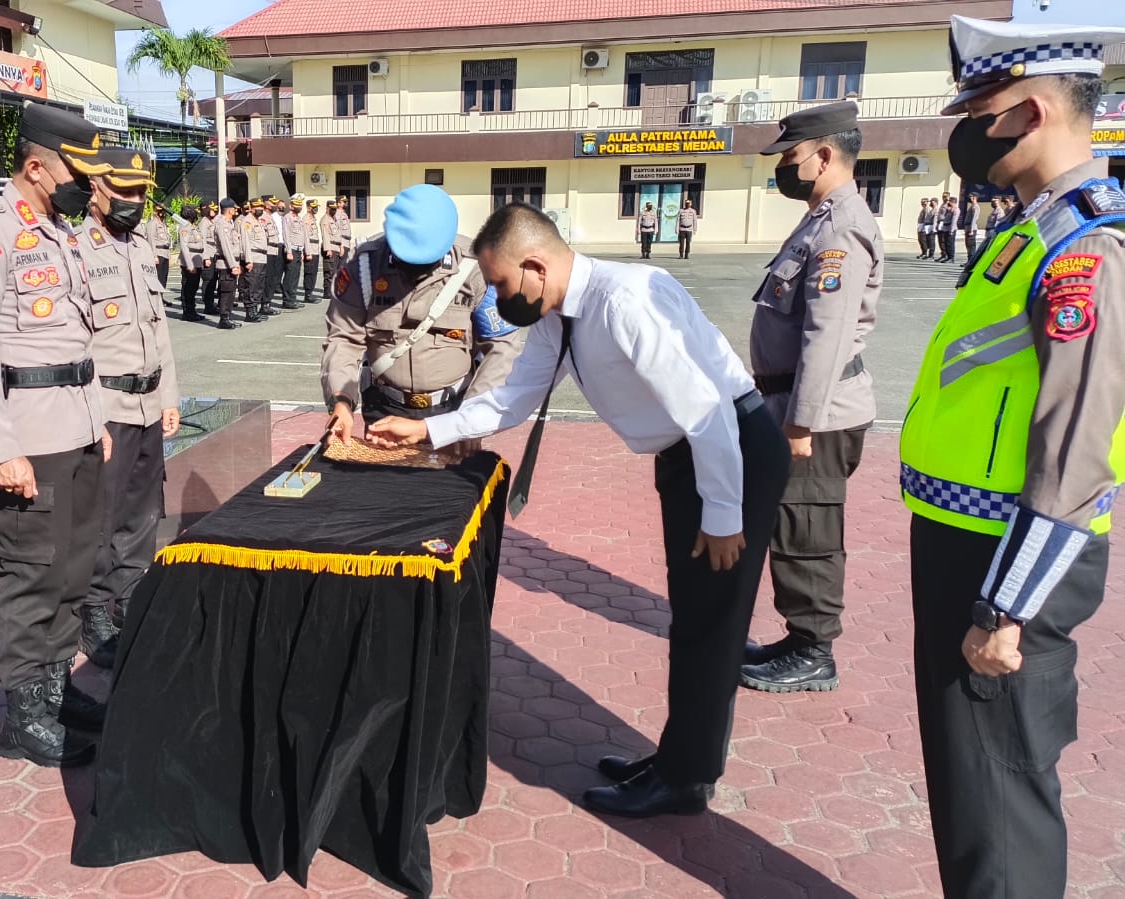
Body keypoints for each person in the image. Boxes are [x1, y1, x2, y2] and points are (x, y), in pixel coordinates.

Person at [367, 203, 791, 818]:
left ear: (536, 267)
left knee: (711, 623)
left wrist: (724, 515)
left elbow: (708, 410)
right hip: (692, 457)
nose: (497, 298)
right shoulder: (558, 313)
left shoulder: (624, 302)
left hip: (731, 453)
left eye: (501, 284)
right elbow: (515, 396)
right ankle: (679, 759)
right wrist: (429, 430)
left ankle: (686, 780)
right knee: (694, 618)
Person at [904, 16, 1125, 898]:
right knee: (969, 784)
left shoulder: (1086, 247)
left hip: (1006, 560)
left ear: (1029, 113)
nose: (964, 133)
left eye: (975, 112)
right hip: (964, 540)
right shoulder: (1029, 228)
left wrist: (1006, 606)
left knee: (997, 794)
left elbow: (1075, 448)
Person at [0, 103, 113, 767]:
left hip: (77, 425)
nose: (88, 186)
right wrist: (0, 449)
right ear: (37, 167)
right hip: (30, 435)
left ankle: (55, 687)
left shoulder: (61, 232)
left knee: (72, 567)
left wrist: (97, 420)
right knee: (31, 572)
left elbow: (77, 338)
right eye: (78, 172)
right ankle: (22, 714)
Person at [741, 100, 880, 692]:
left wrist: (800, 424)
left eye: (790, 156)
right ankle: (800, 637)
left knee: (807, 530)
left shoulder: (841, 227)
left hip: (816, 413)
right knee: (792, 523)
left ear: (823, 156)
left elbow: (828, 334)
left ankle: (814, 651)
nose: (783, 167)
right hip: (796, 403)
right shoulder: (820, 220)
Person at [74, 147, 182, 669]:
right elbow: (74, 343)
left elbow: (159, 332)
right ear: (96, 188)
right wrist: (90, 416)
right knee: (103, 513)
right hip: (108, 406)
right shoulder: (75, 250)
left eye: (141, 192)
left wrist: (169, 397)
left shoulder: (141, 248)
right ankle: (94, 610)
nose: (134, 201)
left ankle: (131, 592)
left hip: (148, 403)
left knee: (143, 509)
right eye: (124, 191)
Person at [321, 184, 525, 440]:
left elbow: (501, 348)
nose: (414, 270)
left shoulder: (478, 269)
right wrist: (341, 400)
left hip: (454, 412)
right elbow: (344, 338)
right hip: (384, 409)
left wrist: (473, 417)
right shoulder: (364, 267)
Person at [211, 198, 243, 330]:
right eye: (234, 209)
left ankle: (227, 317)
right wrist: (233, 265)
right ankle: (224, 318)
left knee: (231, 292)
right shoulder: (222, 225)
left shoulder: (229, 224)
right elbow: (226, 247)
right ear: (230, 210)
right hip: (226, 264)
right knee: (226, 292)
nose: (235, 211)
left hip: (231, 262)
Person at [239, 199, 272, 322]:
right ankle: (250, 312)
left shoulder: (258, 221)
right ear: (251, 208)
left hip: (262, 257)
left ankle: (255, 310)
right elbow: (245, 242)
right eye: (257, 207)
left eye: (261, 207)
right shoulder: (247, 221)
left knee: (259, 285)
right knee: (251, 285)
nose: (260, 209)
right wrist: (248, 260)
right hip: (253, 256)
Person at [177, 206, 207, 322]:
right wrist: (190, 265)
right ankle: (188, 312)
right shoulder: (185, 227)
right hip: (189, 262)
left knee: (193, 288)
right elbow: (184, 246)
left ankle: (192, 311)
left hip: (197, 261)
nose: (196, 215)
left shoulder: (193, 227)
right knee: (188, 289)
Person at [280, 194, 306, 309]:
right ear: (291, 206)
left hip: (298, 250)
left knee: (295, 275)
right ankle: (287, 300)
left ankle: (293, 298)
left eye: (300, 205)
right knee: (290, 276)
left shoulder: (299, 218)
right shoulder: (287, 217)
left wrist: (302, 251)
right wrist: (289, 251)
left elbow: (301, 235)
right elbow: (286, 234)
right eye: (296, 205)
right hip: (292, 250)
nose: (299, 207)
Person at [198, 203, 221, 317]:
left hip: (214, 254)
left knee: (213, 281)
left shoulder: (211, 222)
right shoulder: (204, 223)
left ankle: (211, 304)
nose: (214, 211)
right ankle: (208, 305)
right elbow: (202, 241)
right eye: (212, 210)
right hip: (208, 255)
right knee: (208, 281)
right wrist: (205, 257)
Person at [322, 199, 345, 303]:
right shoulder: (325, 220)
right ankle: (327, 292)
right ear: (327, 208)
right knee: (329, 271)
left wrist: (341, 246)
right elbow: (325, 235)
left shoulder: (334, 219)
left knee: (335, 271)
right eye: (332, 209)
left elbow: (338, 235)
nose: (334, 210)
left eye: (335, 209)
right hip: (330, 248)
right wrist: (328, 249)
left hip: (336, 247)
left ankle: (334, 290)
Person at [302, 198, 324, 303]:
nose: (315, 209)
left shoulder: (313, 219)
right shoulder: (306, 219)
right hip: (310, 248)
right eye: (313, 207)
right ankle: (308, 294)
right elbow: (305, 236)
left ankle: (310, 292)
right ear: (308, 208)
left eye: (316, 207)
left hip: (315, 248)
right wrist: (307, 252)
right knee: (309, 272)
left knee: (314, 272)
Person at [146, 202, 172, 288]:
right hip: (158, 253)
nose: (162, 213)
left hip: (165, 253)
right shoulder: (152, 223)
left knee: (164, 278)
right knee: (159, 278)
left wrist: (169, 254)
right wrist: (154, 256)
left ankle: (161, 295)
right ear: (155, 211)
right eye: (160, 211)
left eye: (163, 211)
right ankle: (157, 295)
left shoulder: (163, 224)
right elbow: (151, 240)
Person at [937, 195, 960, 261]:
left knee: (950, 243)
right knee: (946, 243)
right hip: (946, 228)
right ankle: (948, 256)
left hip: (950, 228)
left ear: (953, 202)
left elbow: (954, 221)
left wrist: (951, 230)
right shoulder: (949, 209)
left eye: (950, 201)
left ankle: (951, 257)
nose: (948, 202)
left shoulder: (956, 210)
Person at [961, 194, 981, 261]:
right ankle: (969, 260)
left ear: (975, 198)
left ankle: (971, 261)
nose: (969, 198)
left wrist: (971, 230)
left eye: (970, 197)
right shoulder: (972, 206)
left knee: (971, 245)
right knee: (968, 245)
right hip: (968, 228)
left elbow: (974, 219)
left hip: (971, 228)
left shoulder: (976, 207)